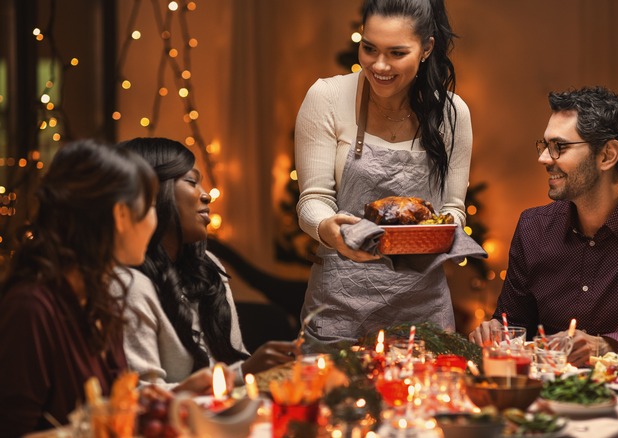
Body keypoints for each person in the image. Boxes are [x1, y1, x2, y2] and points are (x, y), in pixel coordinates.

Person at [470, 86, 618, 365]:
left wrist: (603, 345)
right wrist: (496, 331)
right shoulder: (533, 228)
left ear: (608, 155)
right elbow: (513, 325)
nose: (544, 158)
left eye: (559, 147)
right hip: (548, 397)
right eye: (545, 145)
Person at [295, 0, 473, 346]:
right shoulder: (327, 98)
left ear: (426, 49)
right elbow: (312, 200)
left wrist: (440, 232)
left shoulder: (452, 114)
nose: (379, 65)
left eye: (396, 53)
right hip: (339, 310)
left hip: (423, 316)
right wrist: (329, 229)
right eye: (369, 48)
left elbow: (453, 207)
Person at [0, 140, 158, 435]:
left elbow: (108, 411)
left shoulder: (99, 297)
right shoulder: (31, 308)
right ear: (121, 215)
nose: (154, 219)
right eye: (150, 206)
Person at [118, 137, 296, 393]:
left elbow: (231, 367)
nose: (206, 195)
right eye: (191, 182)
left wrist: (248, 370)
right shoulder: (130, 285)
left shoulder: (207, 266)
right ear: (152, 194)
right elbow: (143, 398)